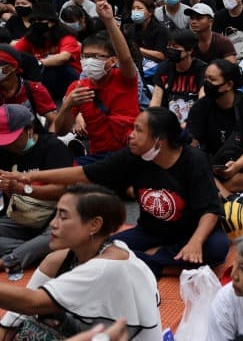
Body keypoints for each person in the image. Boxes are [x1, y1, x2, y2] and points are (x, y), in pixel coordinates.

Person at [14, 108, 229, 279]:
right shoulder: (134, 156)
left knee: (218, 248)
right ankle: (161, 263)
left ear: (159, 141)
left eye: (138, 130)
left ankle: (146, 259)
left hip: (190, 231)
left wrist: (195, 242)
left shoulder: (194, 160)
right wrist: (30, 178)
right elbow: (84, 173)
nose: (131, 135)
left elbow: (210, 210)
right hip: (151, 230)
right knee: (98, 248)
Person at [0, 185, 162, 340]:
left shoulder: (106, 266)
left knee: (32, 329)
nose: (53, 224)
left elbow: (32, 302)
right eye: (55, 215)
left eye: (63, 217)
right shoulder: (60, 259)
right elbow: (15, 316)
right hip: (89, 332)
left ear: (94, 225)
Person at [53, 0, 140, 165]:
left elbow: (126, 57)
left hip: (131, 152)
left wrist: (108, 20)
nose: (89, 61)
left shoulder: (124, 77)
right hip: (99, 157)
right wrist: (68, 104)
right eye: (86, 56)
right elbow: (60, 131)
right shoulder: (77, 88)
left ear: (111, 61)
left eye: (97, 57)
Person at [187, 59, 243, 199]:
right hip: (215, 161)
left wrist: (237, 166)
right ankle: (224, 194)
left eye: (212, 79)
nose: (206, 83)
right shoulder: (200, 108)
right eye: (205, 78)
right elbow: (192, 143)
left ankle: (215, 193)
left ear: (229, 84)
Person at [0, 104, 72, 273]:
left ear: (30, 129)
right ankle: (36, 252)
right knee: (47, 242)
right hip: (23, 217)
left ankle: (12, 258)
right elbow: (11, 201)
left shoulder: (53, 147)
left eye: (13, 139)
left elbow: (61, 190)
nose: (10, 146)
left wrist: (22, 188)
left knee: (56, 235)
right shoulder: (4, 152)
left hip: (57, 215)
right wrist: (6, 187)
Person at [14, 2, 81, 99]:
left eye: (41, 20)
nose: (37, 23)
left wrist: (38, 63)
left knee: (54, 68)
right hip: (45, 79)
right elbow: (14, 53)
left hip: (70, 79)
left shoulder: (66, 37)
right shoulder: (31, 38)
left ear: (52, 22)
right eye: (34, 21)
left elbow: (64, 57)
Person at [149, 29, 208, 125]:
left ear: (189, 50)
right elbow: (155, 100)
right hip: (168, 122)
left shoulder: (202, 69)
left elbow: (202, 101)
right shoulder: (163, 68)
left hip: (194, 122)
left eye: (175, 47)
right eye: (169, 46)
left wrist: (188, 123)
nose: (171, 49)